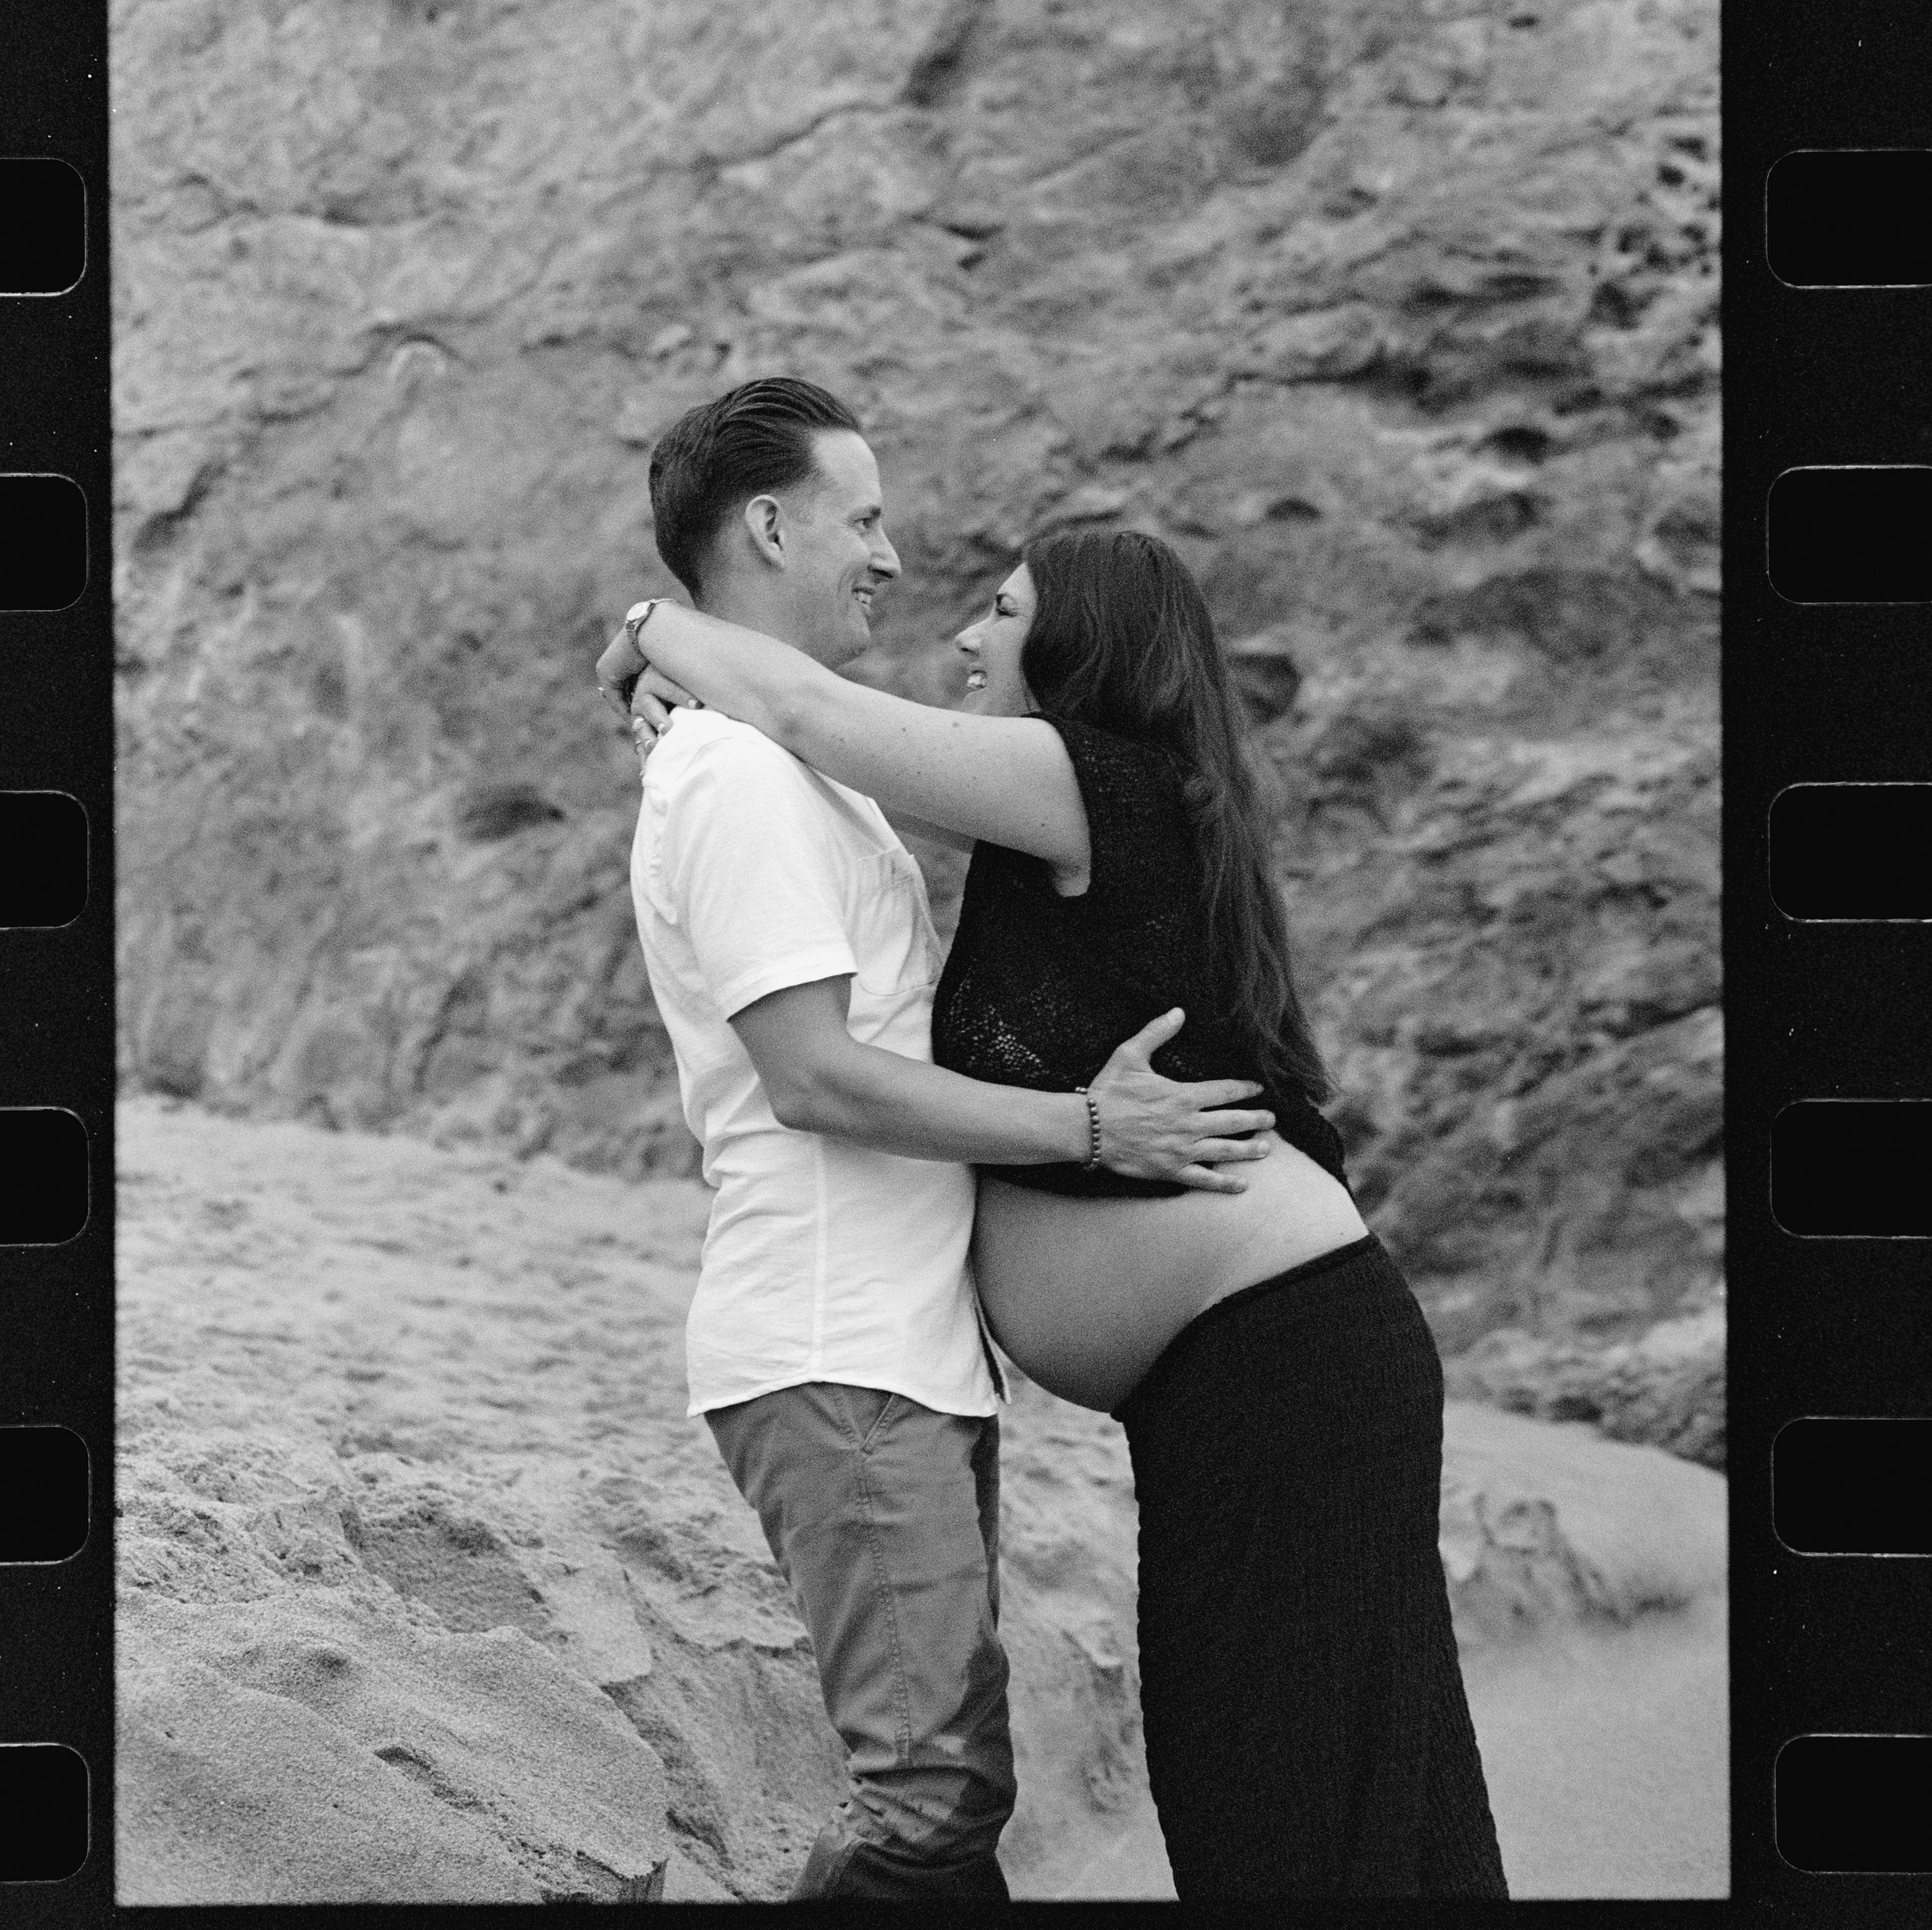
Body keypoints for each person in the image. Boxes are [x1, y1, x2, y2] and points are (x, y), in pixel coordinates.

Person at [603, 473, 1511, 1901]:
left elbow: (815, 716)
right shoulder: (1093, 805)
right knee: (1300, 1784)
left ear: (1083, 648)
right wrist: (665, 663)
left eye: (1005, 609)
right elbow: (789, 729)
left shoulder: (1089, 779)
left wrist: (652, 623)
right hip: (1258, 1374)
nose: (966, 632)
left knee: (1303, 1795)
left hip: (1284, 1364)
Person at [611, 377, 1275, 1905]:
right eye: (864, 516)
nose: (892, 557)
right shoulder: (738, 776)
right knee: (929, 1813)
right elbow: (818, 1080)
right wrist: (1092, 1125)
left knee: (938, 1793)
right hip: (835, 1344)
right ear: (768, 524)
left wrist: (643, 637)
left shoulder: (787, 759)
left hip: (897, 1352)